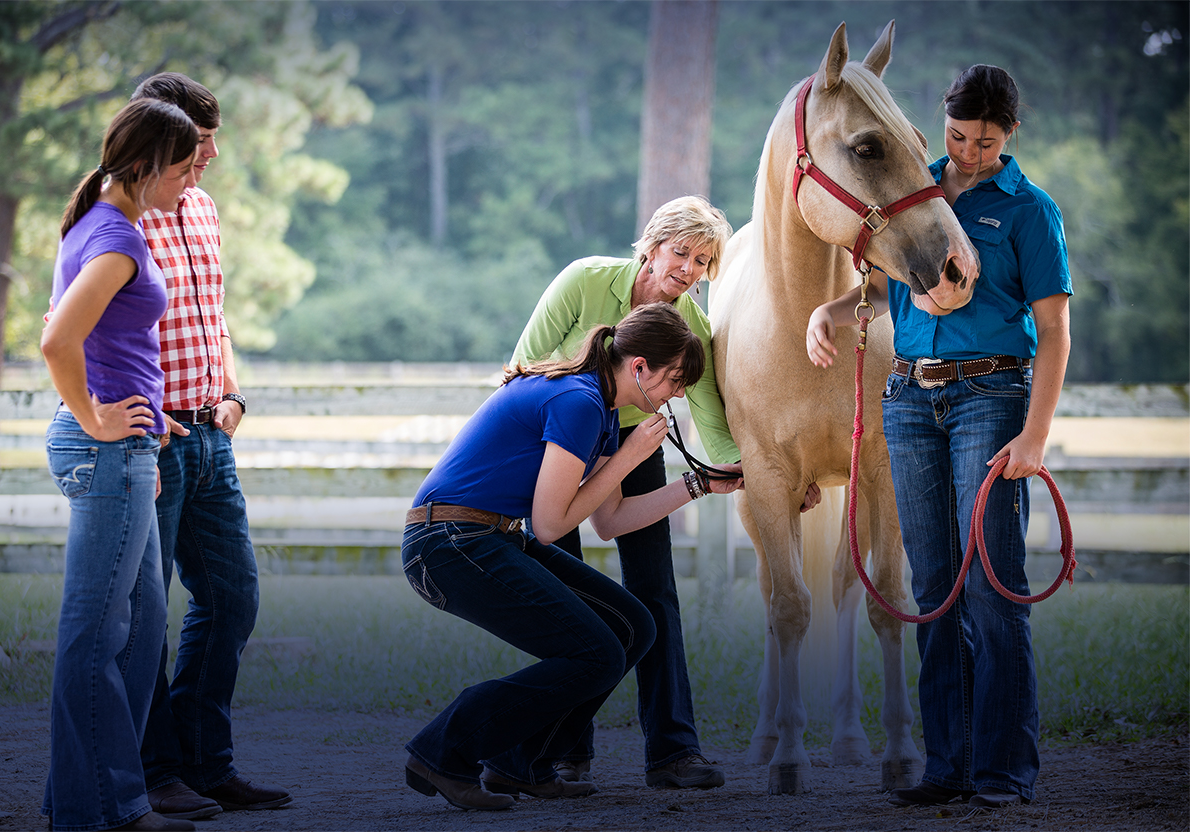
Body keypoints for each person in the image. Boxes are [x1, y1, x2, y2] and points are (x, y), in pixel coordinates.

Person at [806, 64, 1072, 810]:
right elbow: (887, 294)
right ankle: (947, 765)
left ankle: (1003, 770)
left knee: (991, 587)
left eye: (985, 143)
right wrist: (827, 315)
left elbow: (1054, 330)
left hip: (992, 396)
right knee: (932, 590)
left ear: (1009, 135)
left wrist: (1036, 435)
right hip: (909, 399)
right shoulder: (911, 187)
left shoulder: (1030, 210)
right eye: (957, 136)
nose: (967, 153)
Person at [511, 195, 819, 789]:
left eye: (702, 261)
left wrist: (774, 482)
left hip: (633, 443)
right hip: (559, 441)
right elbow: (525, 365)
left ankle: (674, 751)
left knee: (655, 592)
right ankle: (562, 750)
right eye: (680, 252)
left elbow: (716, 430)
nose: (687, 269)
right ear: (650, 247)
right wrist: (584, 439)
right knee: (563, 596)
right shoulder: (584, 281)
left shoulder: (692, 328)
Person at [402, 303, 745, 811]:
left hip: (486, 537)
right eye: (674, 381)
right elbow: (550, 524)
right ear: (638, 368)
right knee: (597, 652)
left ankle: (524, 762)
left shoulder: (601, 412)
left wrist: (697, 485)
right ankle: (441, 751)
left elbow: (610, 521)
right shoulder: (578, 401)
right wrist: (629, 457)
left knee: (634, 626)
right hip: (447, 543)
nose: (676, 395)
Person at [129, 73, 291, 819]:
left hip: (210, 432)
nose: (212, 154)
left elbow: (211, 314)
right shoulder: (124, 211)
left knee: (232, 597)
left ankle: (205, 764)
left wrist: (231, 391)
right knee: (145, 611)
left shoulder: (200, 207)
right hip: (152, 438)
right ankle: (157, 770)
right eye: (198, 141)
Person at [40, 98, 200, 832]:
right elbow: (56, 342)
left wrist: (140, 412)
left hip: (129, 445)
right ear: (146, 166)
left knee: (139, 635)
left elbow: (96, 340)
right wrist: (97, 417)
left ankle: (102, 802)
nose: (190, 185)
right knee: (97, 634)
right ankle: (99, 811)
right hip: (105, 452)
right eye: (183, 169)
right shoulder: (115, 240)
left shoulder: (103, 224)